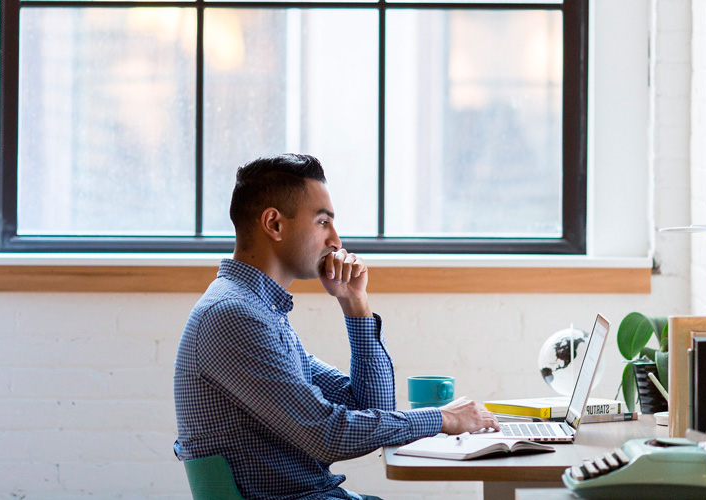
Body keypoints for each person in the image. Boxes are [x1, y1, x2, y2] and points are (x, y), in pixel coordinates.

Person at [173, 154, 499, 499]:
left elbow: (373, 408)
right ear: (274, 224)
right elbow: (327, 436)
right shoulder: (235, 316)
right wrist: (442, 418)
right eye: (322, 222)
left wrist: (354, 303)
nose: (336, 241)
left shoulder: (261, 312)